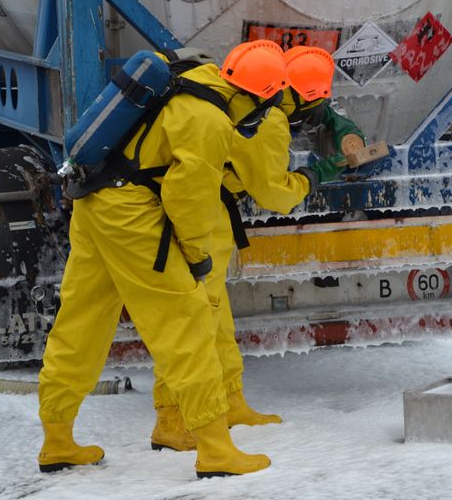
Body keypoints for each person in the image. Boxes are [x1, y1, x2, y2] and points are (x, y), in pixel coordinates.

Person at [37, 40, 289, 479]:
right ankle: (214, 448)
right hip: (131, 215)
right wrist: (195, 256)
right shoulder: (209, 121)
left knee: (81, 321)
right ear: (255, 96)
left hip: (93, 202)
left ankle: (57, 439)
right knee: (185, 323)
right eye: (264, 106)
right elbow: (186, 197)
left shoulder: (192, 80)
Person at [149, 46, 366, 451]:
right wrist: (313, 175)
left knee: (217, 318)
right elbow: (274, 194)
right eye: (318, 101)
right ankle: (171, 419)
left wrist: (335, 123)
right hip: (202, 211)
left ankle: (231, 402)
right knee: (195, 319)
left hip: (207, 209)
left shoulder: (249, 94)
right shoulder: (272, 122)